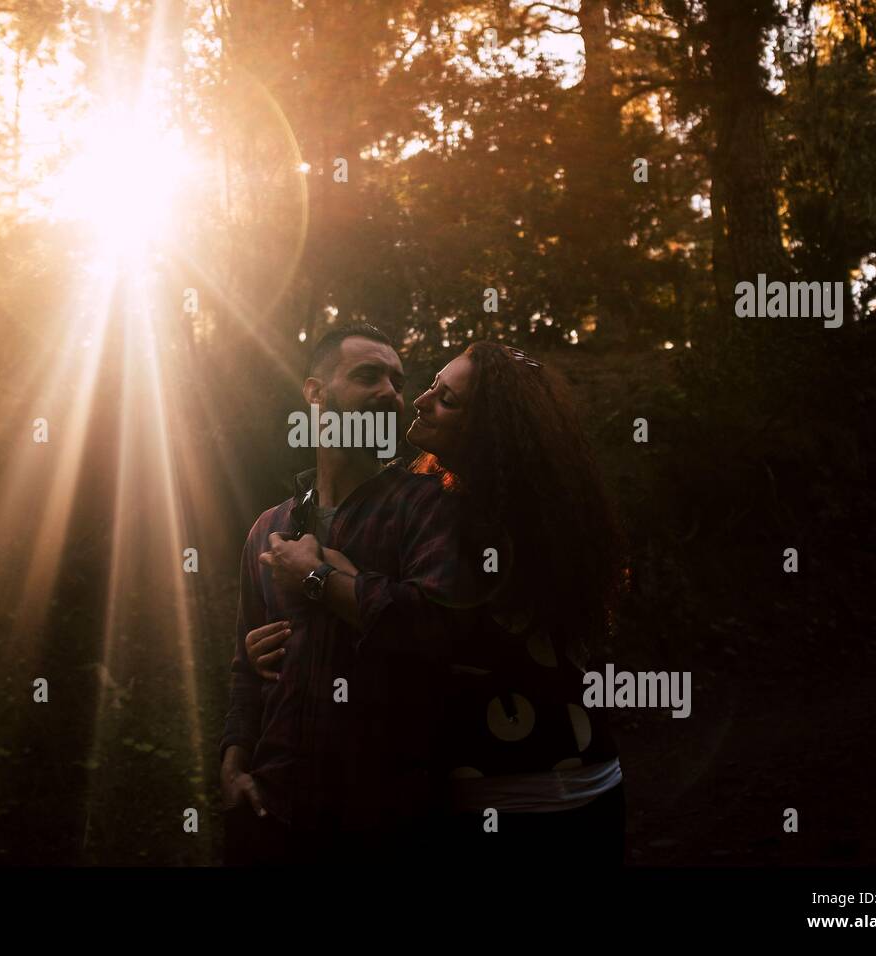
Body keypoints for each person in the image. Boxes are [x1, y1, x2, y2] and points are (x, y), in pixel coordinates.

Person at [249, 341, 630, 866]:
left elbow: (430, 626)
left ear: (490, 430)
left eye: (447, 400)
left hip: (529, 788)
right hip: (505, 784)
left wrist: (322, 576)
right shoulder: (457, 499)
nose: (420, 401)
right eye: (430, 387)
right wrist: (285, 648)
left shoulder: (495, 523)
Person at [219, 323, 467, 865]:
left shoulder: (425, 508)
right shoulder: (270, 528)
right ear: (315, 393)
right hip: (272, 810)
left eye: (398, 382)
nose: (390, 392)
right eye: (367, 375)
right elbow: (245, 665)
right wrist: (234, 762)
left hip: (385, 820)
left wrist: (319, 581)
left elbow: (440, 633)